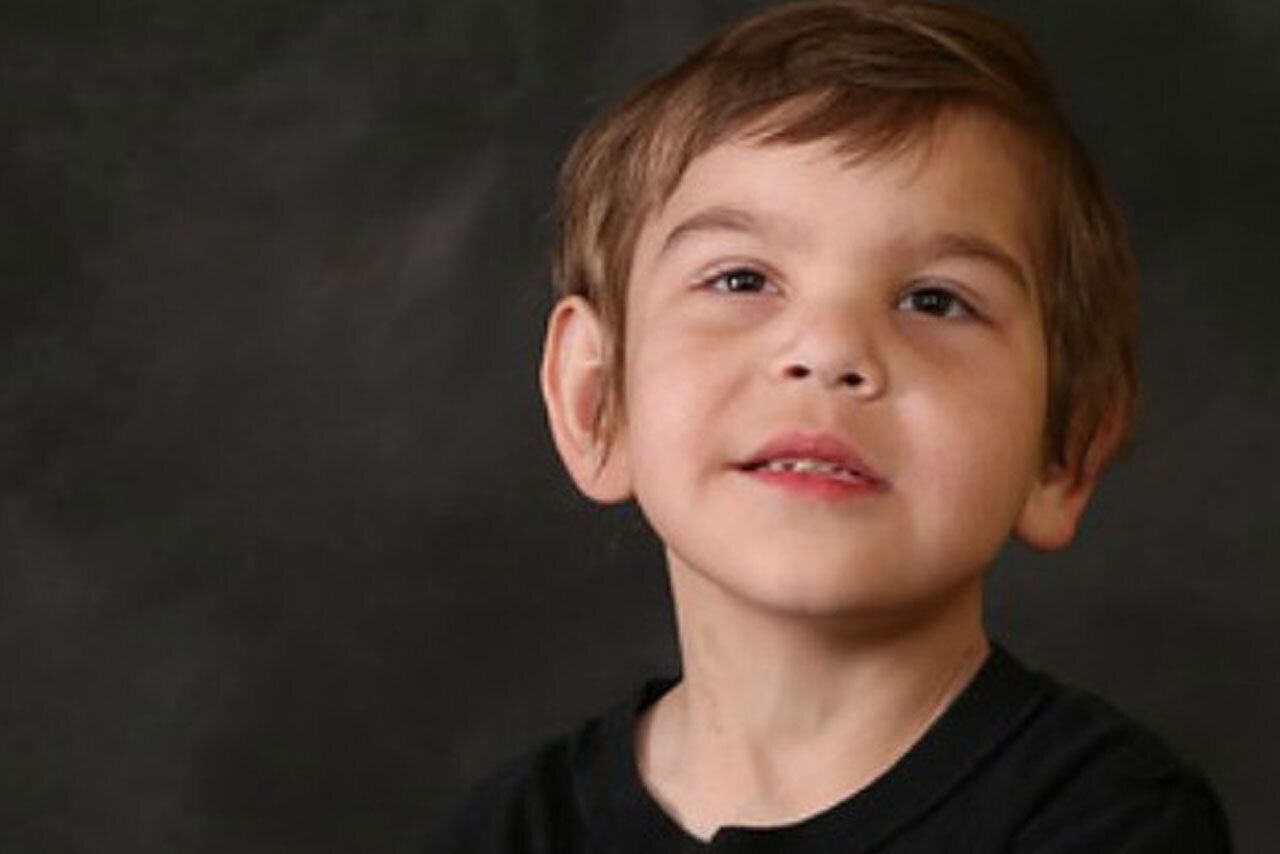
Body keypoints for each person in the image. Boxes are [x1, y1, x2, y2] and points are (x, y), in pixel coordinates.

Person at [430, 1, 1231, 850]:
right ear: (596, 399)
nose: (829, 350)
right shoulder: (510, 831)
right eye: (741, 280)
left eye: (935, 301)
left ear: (1063, 451)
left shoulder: (1116, 823)